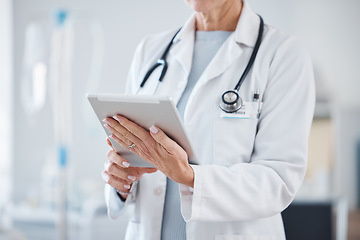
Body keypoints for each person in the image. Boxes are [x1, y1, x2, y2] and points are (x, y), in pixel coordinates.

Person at [101, 0, 315, 239]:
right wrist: (122, 180)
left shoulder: (282, 53)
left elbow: (278, 181)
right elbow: (133, 161)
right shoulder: (150, 50)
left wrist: (191, 177)